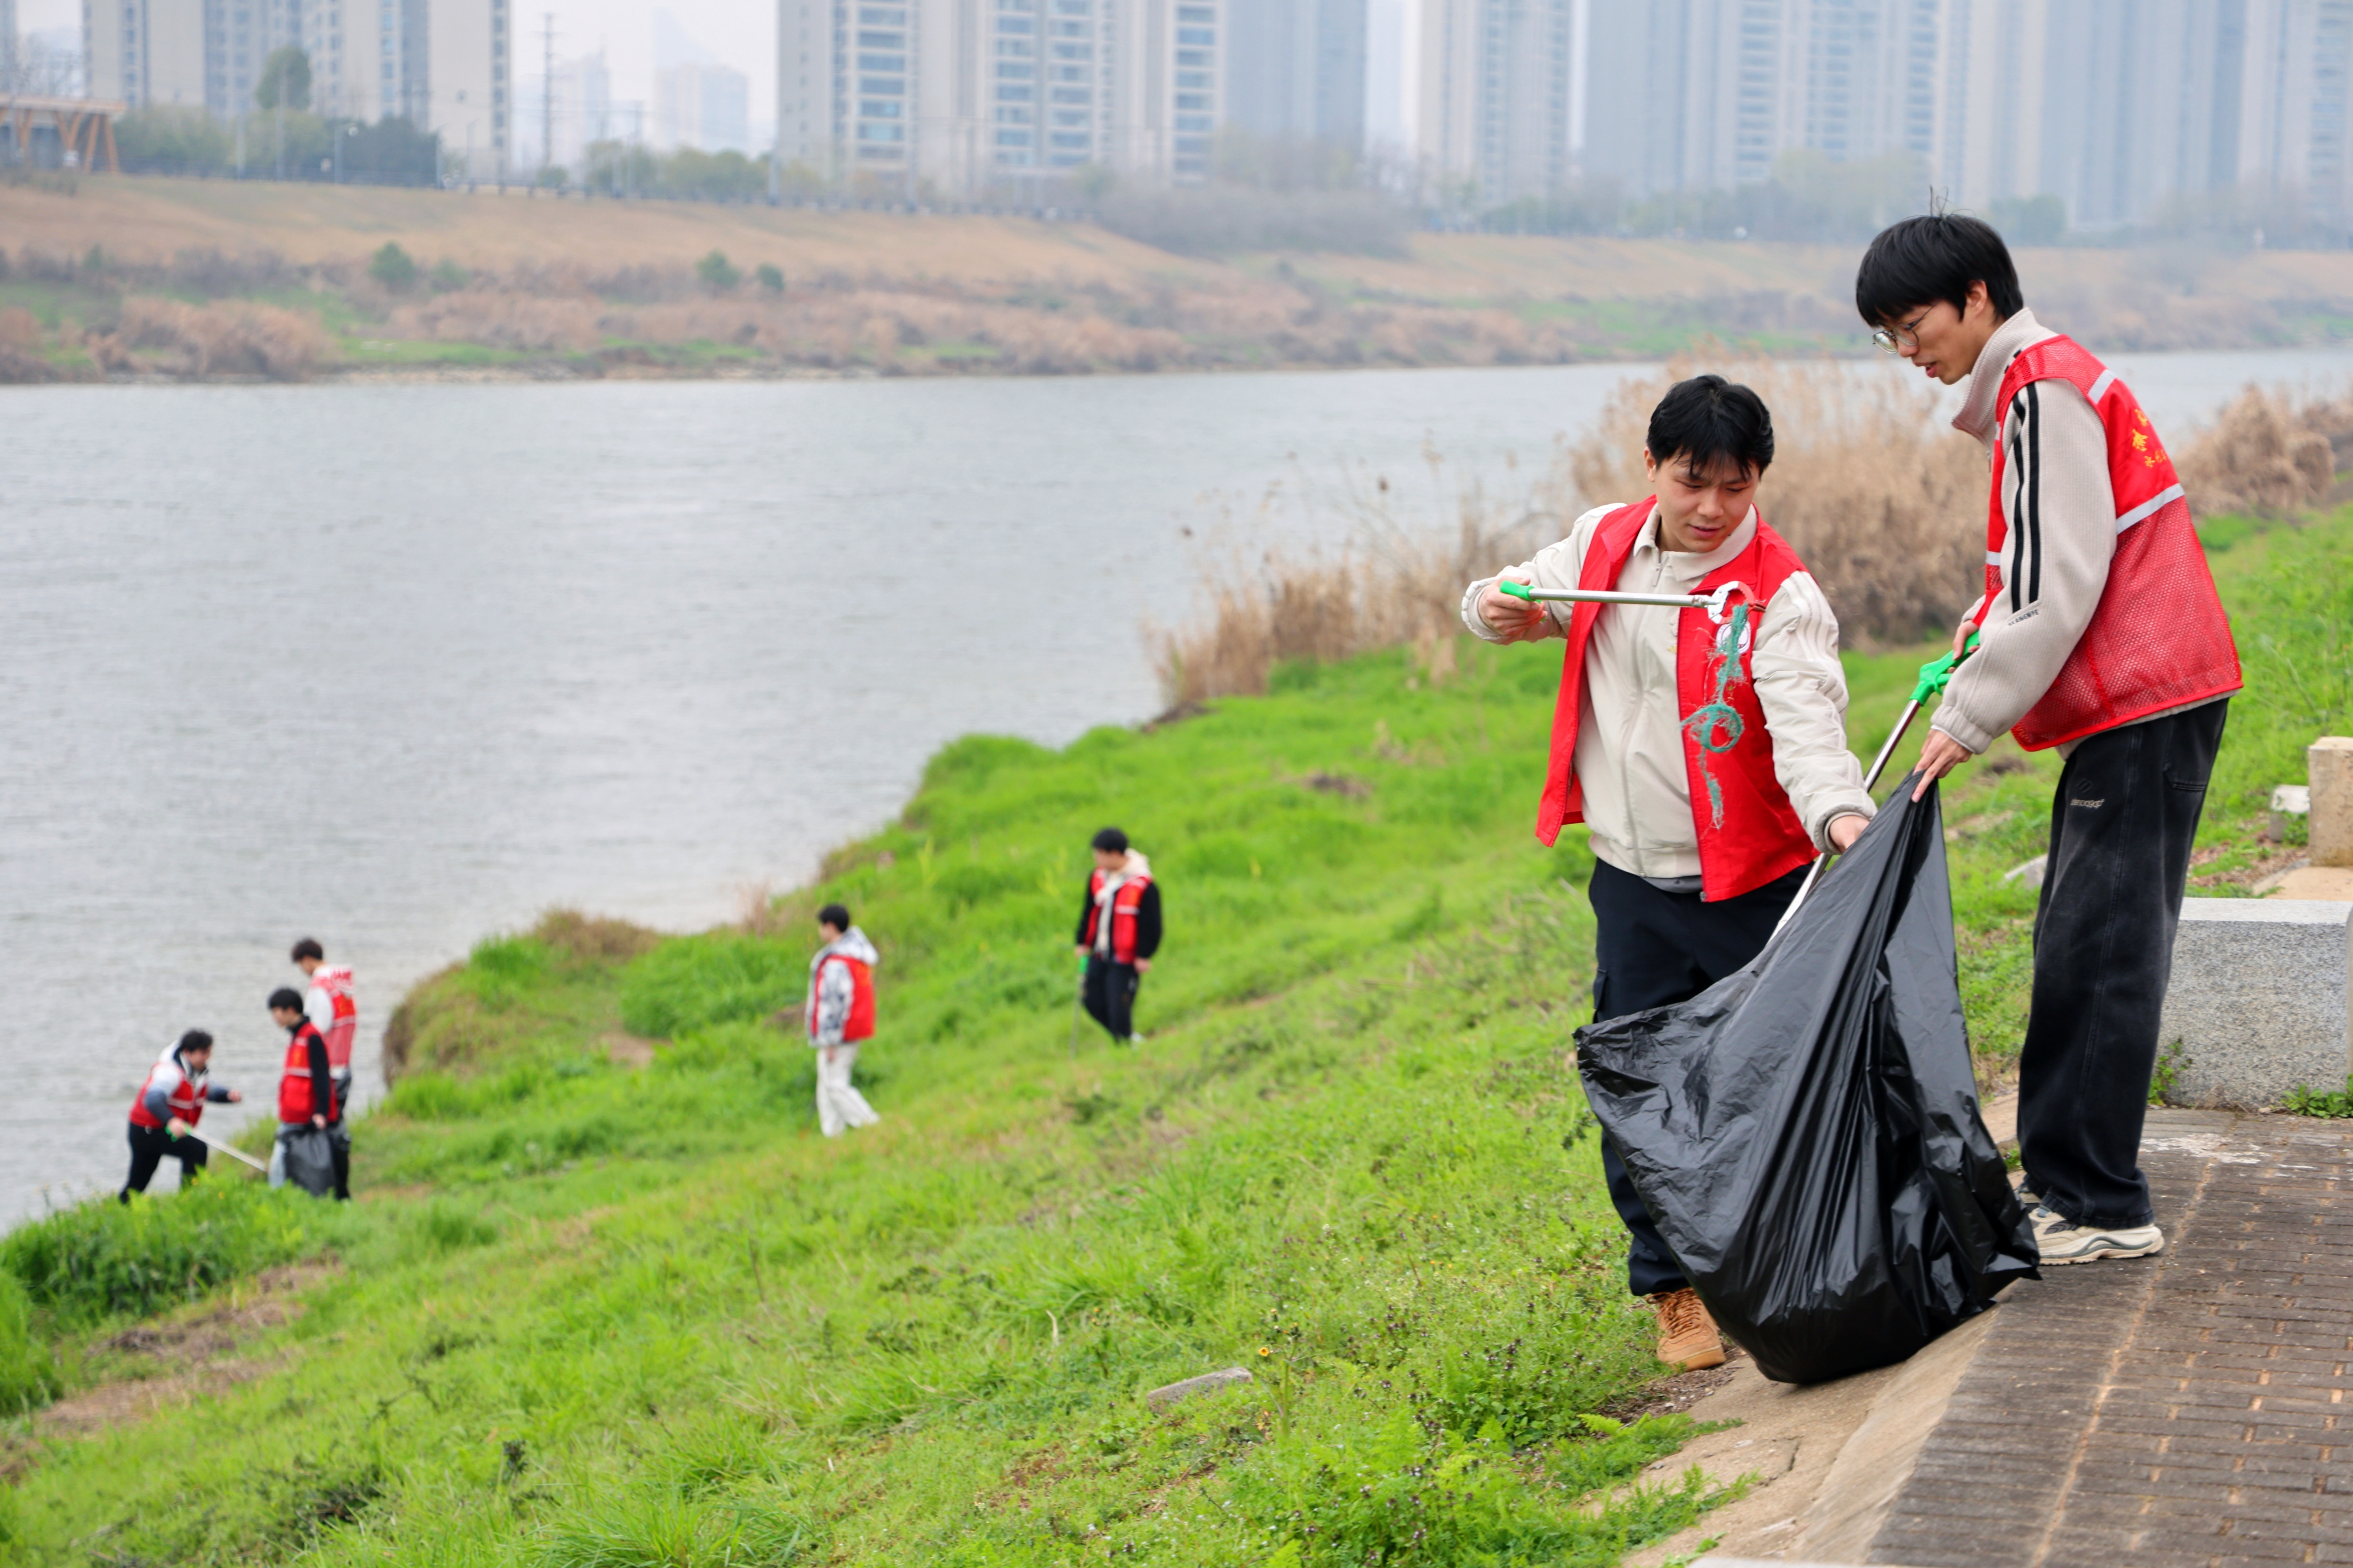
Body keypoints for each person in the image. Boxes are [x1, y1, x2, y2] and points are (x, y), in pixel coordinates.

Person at [1462, 374, 1876, 1372]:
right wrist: (1497, 609)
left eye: (1735, 489)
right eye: (1692, 482)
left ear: (1757, 484)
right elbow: (1500, 598)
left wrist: (1844, 817)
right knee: (1636, 1080)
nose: (1710, 510)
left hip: (1755, 882)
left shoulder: (1778, 593)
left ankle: (1795, 1259)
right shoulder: (1603, 545)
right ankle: (1673, 1292)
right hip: (1632, 883)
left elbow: (1807, 726)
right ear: (1651, 468)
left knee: (1768, 1081)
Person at [1854, 214, 2240, 1268]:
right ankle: (2071, 1181)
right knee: (2081, 940)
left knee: (2099, 952)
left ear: (1977, 296)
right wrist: (1976, 644)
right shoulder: (2042, 386)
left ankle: (2100, 1205)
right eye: (1887, 334)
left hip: (2144, 698)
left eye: (1914, 322)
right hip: (2145, 700)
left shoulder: (2040, 388)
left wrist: (1967, 717)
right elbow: (2030, 569)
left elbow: (2055, 587)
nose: (1907, 351)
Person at [122, 1030, 243, 1202]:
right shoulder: (169, 1073)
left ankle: (125, 1205)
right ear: (188, 1053)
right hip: (147, 1131)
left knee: (138, 1182)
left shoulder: (197, 1071)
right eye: (203, 1053)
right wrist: (171, 1120)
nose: (208, 1057)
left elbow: (207, 1091)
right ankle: (190, 1200)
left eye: (209, 1052)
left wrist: (227, 1096)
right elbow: (153, 1099)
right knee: (195, 1150)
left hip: (158, 1129)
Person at [1073, 828, 1160, 1045]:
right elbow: (1089, 910)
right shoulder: (1098, 878)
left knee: (1118, 1004)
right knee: (1090, 998)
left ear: (1114, 854)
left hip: (1126, 958)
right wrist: (1082, 941)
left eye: (1100, 854)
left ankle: (1125, 1043)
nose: (1096, 859)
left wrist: (1144, 954)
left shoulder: (1143, 884)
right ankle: (1124, 1038)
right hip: (1100, 952)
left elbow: (1152, 923)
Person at [806, 904, 881, 1138]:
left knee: (835, 1086)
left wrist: (828, 1039)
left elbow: (834, 1003)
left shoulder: (837, 961)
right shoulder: (857, 953)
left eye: (821, 927)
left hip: (840, 1033)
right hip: (854, 1027)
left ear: (830, 927)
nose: (820, 932)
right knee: (827, 1083)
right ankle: (833, 1134)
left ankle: (871, 1123)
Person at [269, 986, 350, 1200]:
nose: (274, 1017)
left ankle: (282, 1204)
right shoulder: (296, 1036)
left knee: (279, 1168)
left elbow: (322, 1076)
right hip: (293, 1115)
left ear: (290, 1011)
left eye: (276, 1011)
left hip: (305, 1116)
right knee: (287, 1166)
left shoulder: (311, 1037)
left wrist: (321, 1112)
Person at [291, 938, 357, 1117]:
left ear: (307, 960)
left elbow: (316, 1031)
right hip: (343, 1062)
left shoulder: (320, 986)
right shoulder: (341, 984)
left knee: (322, 1123)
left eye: (301, 965)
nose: (303, 970)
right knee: (336, 1119)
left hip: (327, 1068)